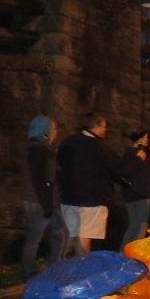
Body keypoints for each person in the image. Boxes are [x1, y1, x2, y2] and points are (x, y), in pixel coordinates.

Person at [56, 112, 119, 256]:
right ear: (96, 126)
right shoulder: (101, 148)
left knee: (69, 235)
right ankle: (81, 269)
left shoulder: (68, 142)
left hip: (69, 197)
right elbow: (116, 168)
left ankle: (61, 269)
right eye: (103, 126)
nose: (105, 130)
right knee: (85, 237)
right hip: (92, 199)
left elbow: (60, 162)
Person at [19, 115, 68, 279]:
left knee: (61, 234)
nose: (56, 132)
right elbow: (39, 179)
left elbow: (50, 176)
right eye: (53, 128)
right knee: (35, 238)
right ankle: (29, 273)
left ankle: (54, 269)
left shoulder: (44, 148)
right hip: (39, 201)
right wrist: (47, 205)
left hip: (47, 201)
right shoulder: (36, 149)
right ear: (45, 130)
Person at [117, 130, 150, 248]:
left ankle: (125, 250)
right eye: (145, 138)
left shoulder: (127, 153)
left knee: (134, 224)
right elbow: (128, 172)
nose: (147, 140)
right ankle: (134, 252)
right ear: (139, 140)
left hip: (131, 194)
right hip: (140, 194)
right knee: (141, 225)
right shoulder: (138, 155)